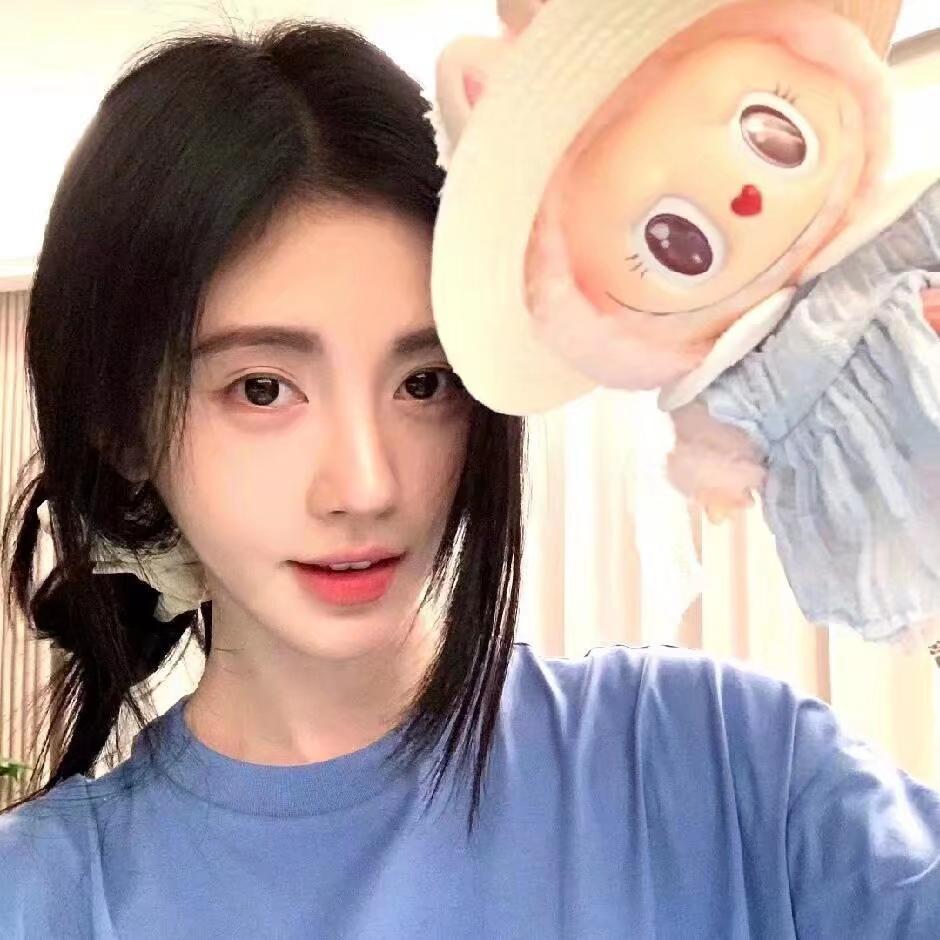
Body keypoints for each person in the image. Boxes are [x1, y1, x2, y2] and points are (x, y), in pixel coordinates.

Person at [0, 20, 938, 939]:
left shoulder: (724, 766)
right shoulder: (43, 896)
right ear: (124, 426)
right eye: (262, 389)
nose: (365, 486)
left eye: (423, 383)